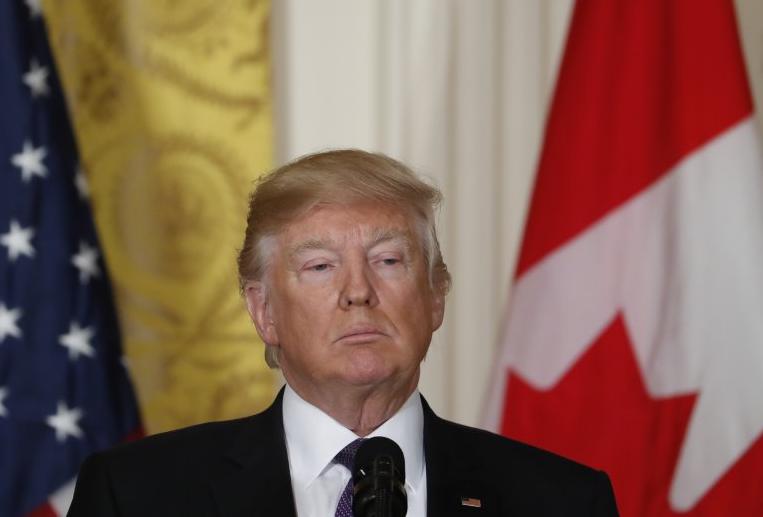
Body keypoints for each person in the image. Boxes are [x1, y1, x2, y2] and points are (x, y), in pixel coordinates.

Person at [67, 149, 619, 516]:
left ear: (435, 297)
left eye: (388, 260)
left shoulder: (563, 501)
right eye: (320, 266)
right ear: (264, 311)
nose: (358, 291)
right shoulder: (137, 496)